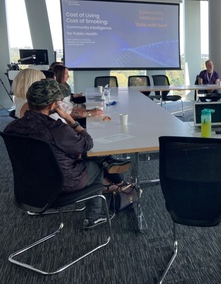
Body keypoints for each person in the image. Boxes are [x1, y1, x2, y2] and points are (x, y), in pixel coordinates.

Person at [4, 80, 130, 228]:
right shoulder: (56, 129)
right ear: (53, 105)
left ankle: (116, 180)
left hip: (30, 186)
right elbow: (87, 143)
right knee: (96, 164)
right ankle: (93, 216)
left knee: (92, 158)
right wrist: (68, 118)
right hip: (63, 184)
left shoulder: (11, 128)